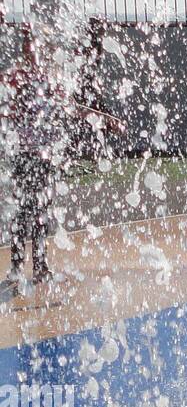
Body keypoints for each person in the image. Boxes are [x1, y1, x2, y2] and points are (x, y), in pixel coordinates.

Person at [0, 22, 123, 296]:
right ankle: (18, 267)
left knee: (41, 212)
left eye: (35, 47)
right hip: (25, 156)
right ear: (25, 50)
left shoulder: (49, 81)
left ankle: (40, 267)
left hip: (44, 157)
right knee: (24, 212)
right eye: (29, 46)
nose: (33, 52)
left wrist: (105, 120)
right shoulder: (16, 78)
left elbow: (74, 109)